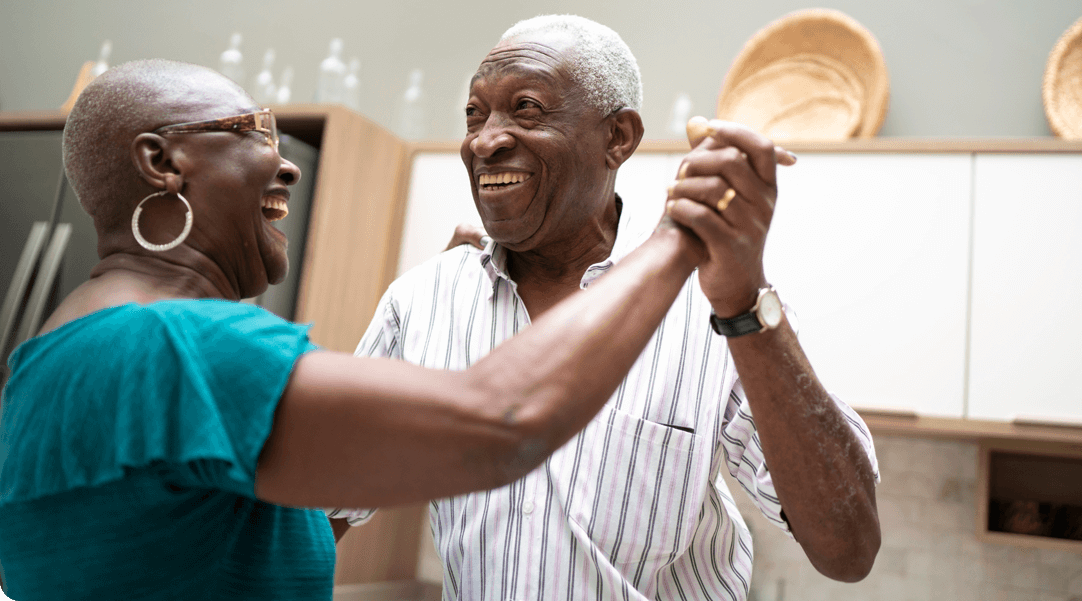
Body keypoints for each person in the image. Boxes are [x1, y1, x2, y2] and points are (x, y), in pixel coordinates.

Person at [0, 59, 758, 600]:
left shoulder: (48, 360)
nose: (285, 164)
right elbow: (504, 423)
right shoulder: (179, 347)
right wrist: (680, 238)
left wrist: (446, 308)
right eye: (252, 131)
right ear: (162, 162)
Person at [329, 15, 882, 599]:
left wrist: (745, 304)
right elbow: (323, 509)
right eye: (474, 114)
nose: (485, 140)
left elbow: (847, 548)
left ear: (617, 137)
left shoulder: (710, 305)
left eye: (526, 109)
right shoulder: (423, 303)